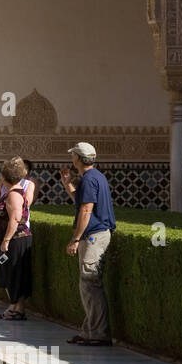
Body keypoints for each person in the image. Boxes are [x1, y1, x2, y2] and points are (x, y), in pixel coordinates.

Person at [64, 142, 116, 347]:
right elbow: (81, 201)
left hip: (94, 236)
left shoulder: (88, 179)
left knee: (90, 284)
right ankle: (89, 331)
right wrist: (68, 184)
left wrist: (76, 238)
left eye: (73, 156)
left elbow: (86, 210)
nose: (71, 159)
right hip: (96, 234)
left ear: (78, 158)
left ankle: (99, 334)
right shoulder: (95, 177)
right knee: (88, 285)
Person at [0, 157, 34, 320]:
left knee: (15, 271)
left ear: (4, 177)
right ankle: (15, 307)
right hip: (14, 240)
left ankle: (17, 307)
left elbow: (15, 219)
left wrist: (6, 240)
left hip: (15, 240)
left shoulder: (14, 195)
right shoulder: (11, 192)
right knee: (13, 271)